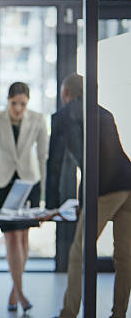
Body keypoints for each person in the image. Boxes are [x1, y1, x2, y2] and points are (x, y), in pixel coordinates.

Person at [53, 74, 131, 318]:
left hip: (105, 188)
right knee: (124, 255)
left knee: (78, 252)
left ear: (65, 93)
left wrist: (49, 205)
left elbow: (55, 164)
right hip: (129, 183)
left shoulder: (64, 116)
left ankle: (69, 313)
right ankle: (119, 313)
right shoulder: (104, 113)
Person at [0, 82, 48, 313]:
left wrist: (42, 193)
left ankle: (15, 291)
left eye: (23, 104)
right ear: (8, 100)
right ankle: (21, 294)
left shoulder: (38, 119)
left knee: (23, 237)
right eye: (14, 103)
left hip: (29, 181)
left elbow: (43, 156)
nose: (18, 108)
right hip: (0, 182)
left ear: (28, 102)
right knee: (12, 237)